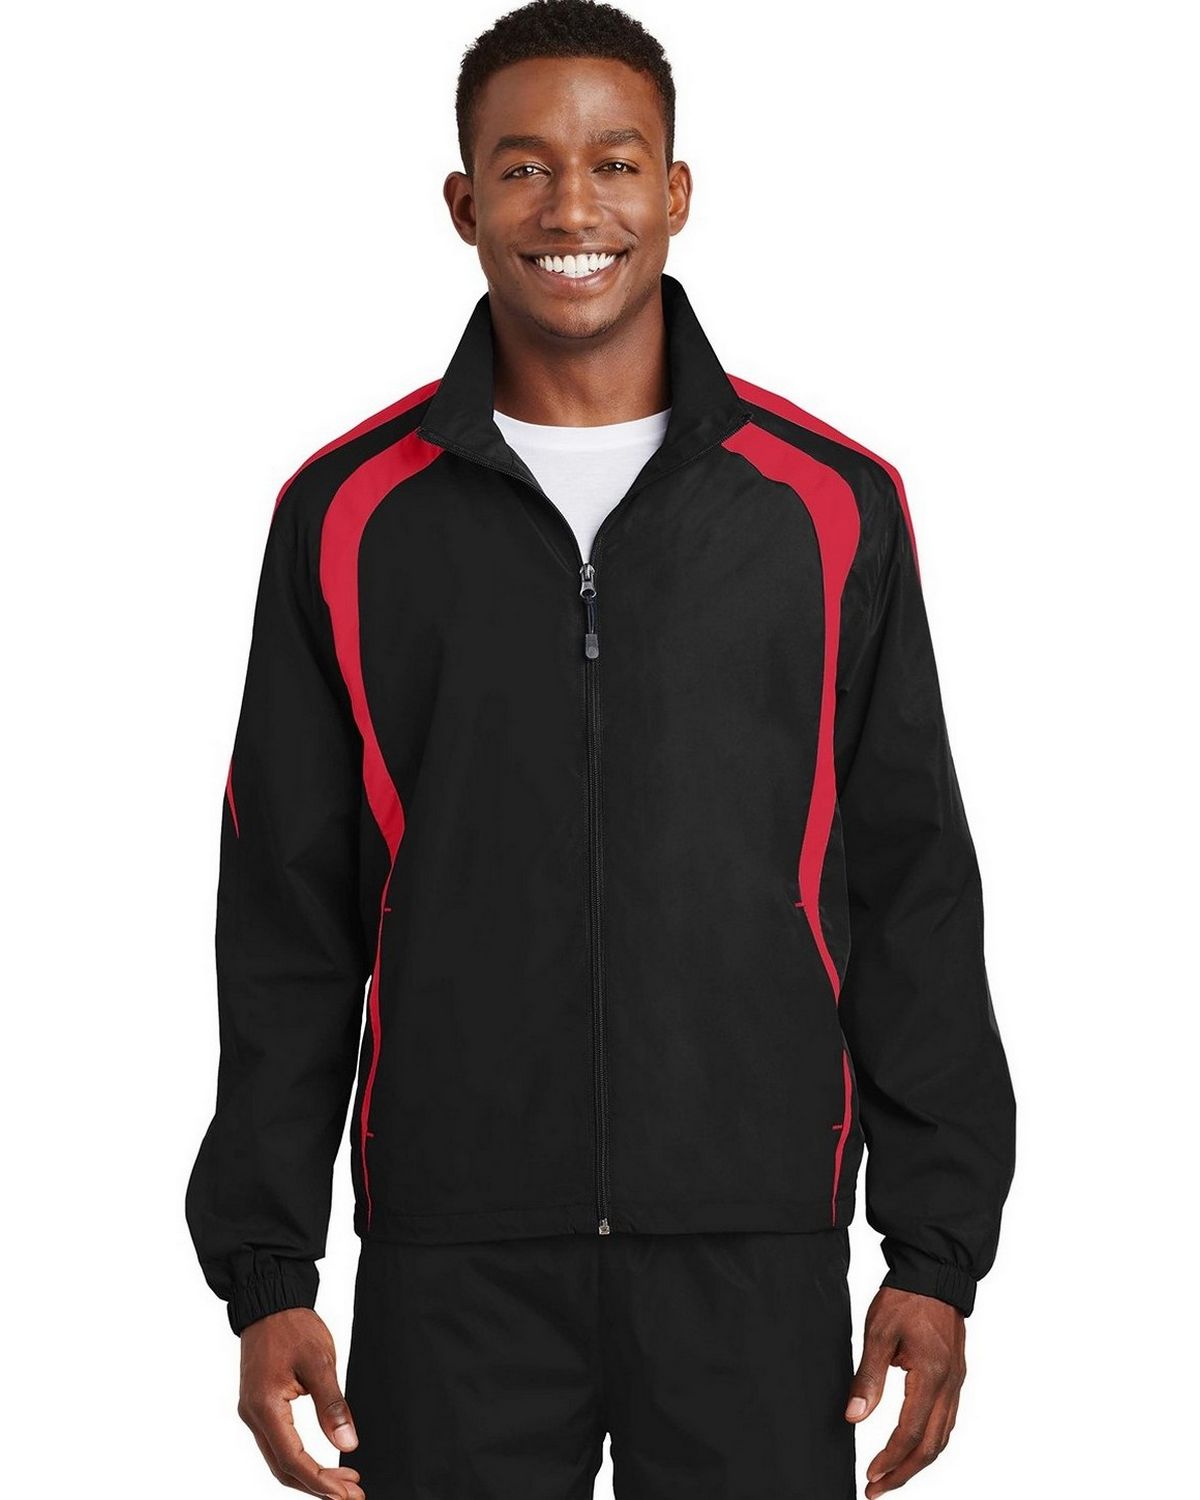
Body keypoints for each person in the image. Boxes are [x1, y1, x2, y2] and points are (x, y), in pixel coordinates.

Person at [185, 3, 1017, 1496]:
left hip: (756, 1245)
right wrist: (268, 1268)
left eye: (615, 163)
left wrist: (935, 1249)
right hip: (453, 1258)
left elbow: (910, 888)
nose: (573, 208)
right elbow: (285, 913)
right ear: (463, 204)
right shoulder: (349, 513)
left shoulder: (828, 504)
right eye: (524, 168)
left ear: (676, 192)